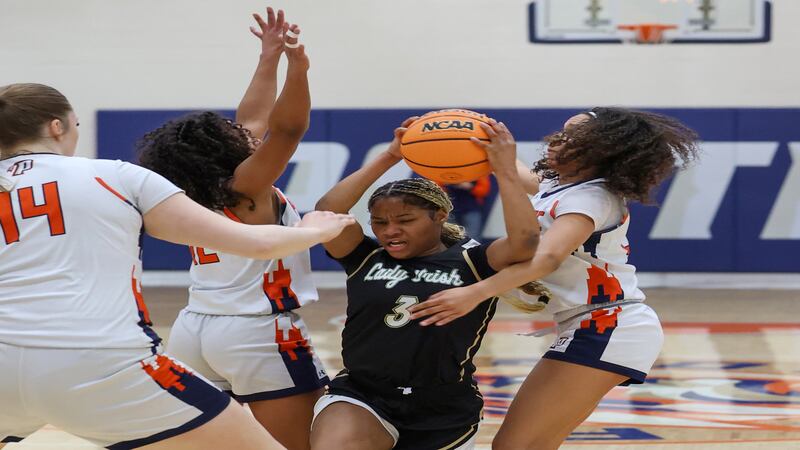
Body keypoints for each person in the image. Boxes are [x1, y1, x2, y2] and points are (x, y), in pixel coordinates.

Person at [0, 83, 353, 449]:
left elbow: (256, 123)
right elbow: (257, 242)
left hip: (9, 361)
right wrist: (315, 229)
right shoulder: (117, 176)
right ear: (57, 127)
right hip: (107, 360)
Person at [408, 107, 700, 450]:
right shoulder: (558, 186)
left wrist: (475, 293)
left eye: (571, 137)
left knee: (517, 446)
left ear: (600, 150)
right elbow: (509, 170)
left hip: (609, 325)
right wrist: (448, 137)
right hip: (593, 325)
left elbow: (546, 258)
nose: (556, 139)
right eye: (560, 132)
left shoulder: (592, 196)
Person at [137, 8, 324, 450]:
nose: (242, 130)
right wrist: (300, 69)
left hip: (194, 329)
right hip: (256, 330)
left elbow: (255, 118)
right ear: (225, 150)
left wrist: (269, 56)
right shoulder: (246, 189)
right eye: (231, 132)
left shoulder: (191, 191)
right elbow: (288, 129)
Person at [310, 116, 540, 450]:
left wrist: (504, 170)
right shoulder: (364, 256)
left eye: (405, 220)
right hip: (363, 393)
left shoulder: (473, 261)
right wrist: (390, 157)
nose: (390, 231)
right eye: (379, 222)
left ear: (439, 216)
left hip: (444, 405)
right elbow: (328, 210)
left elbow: (525, 243)